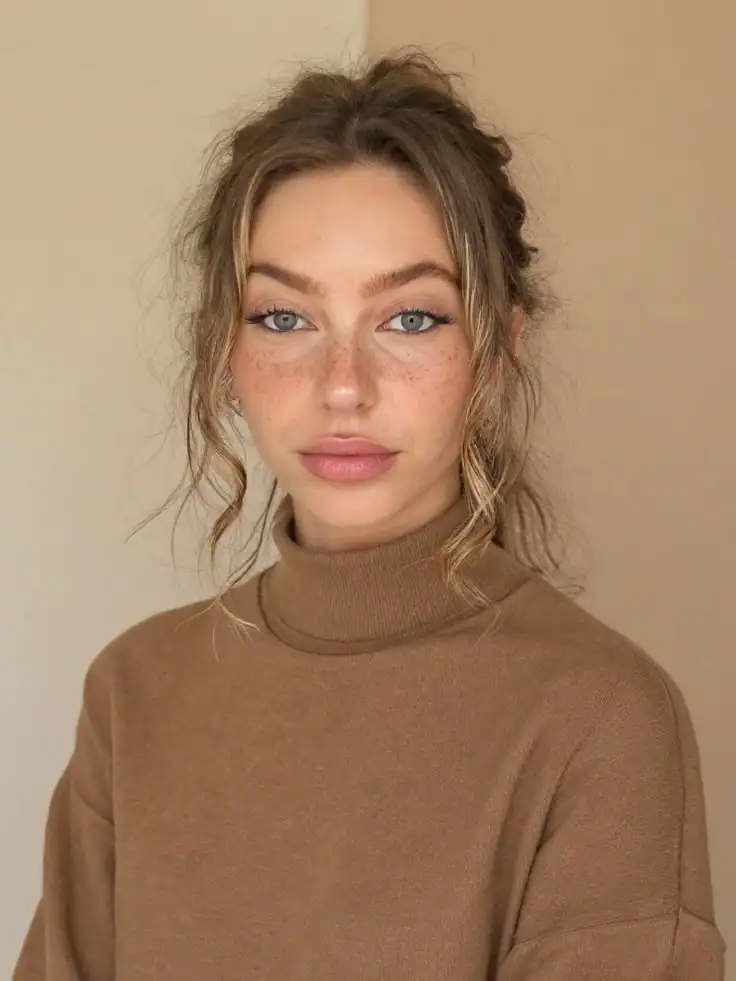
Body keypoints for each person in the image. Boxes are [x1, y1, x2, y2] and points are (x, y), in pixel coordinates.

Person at [14, 52, 725, 981]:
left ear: (500, 350)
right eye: (283, 318)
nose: (343, 385)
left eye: (412, 319)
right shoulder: (134, 693)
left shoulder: (600, 719)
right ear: (222, 348)